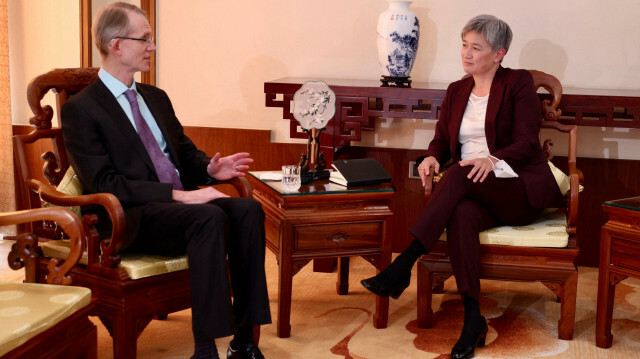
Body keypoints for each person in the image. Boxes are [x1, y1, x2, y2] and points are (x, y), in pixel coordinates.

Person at [60, 2, 271, 359]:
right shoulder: (81, 109)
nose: (152, 47)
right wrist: (179, 196)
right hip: (132, 215)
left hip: (176, 208)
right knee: (209, 216)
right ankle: (205, 349)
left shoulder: (155, 98)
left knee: (249, 210)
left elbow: (184, 153)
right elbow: (103, 181)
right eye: (145, 39)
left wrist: (208, 170)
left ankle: (245, 341)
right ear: (116, 45)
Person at [361, 14, 565, 359]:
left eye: (476, 48)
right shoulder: (457, 90)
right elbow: (441, 140)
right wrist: (430, 157)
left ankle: (405, 262)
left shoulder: (517, 83)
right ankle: (474, 319)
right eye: (464, 45)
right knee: (462, 215)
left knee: (458, 174)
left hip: (515, 190)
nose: (466, 54)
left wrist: (491, 160)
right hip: (472, 191)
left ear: (499, 54)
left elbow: (528, 142)